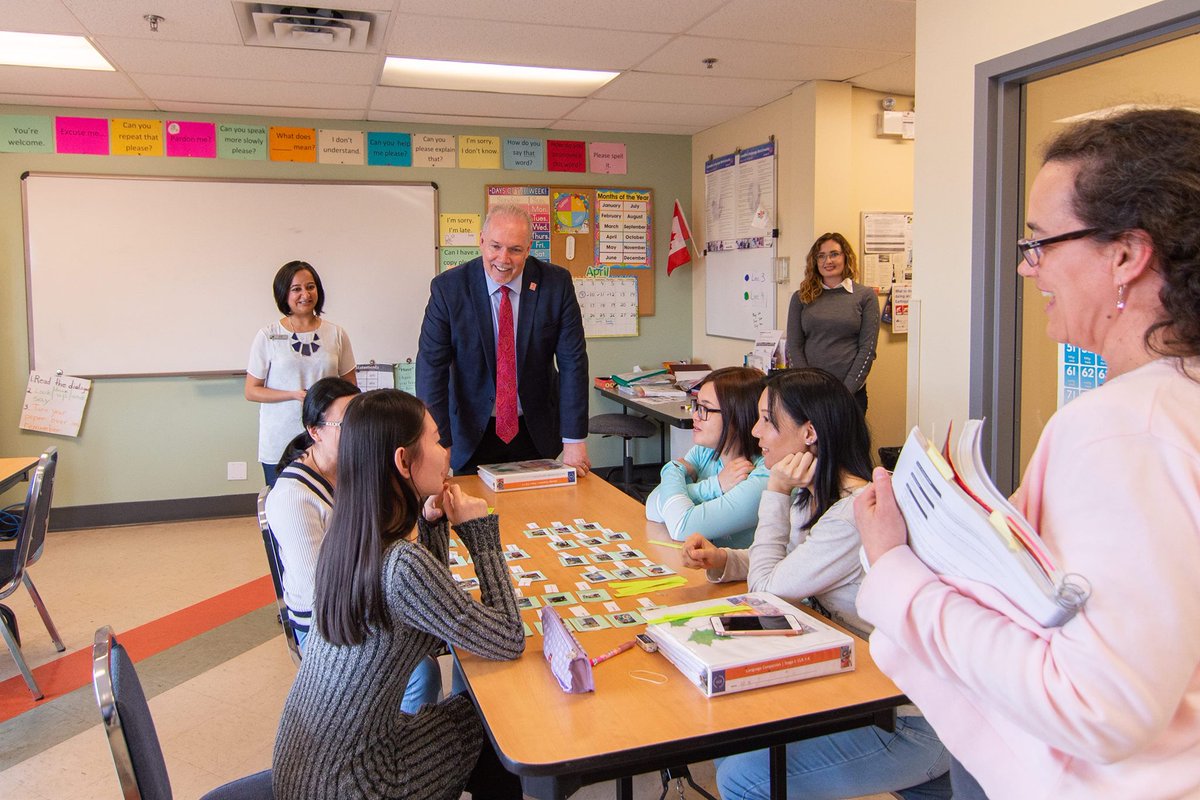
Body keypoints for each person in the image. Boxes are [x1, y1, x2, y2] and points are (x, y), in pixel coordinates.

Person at [855, 108, 1200, 798]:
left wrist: (895, 571)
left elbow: (1097, 706)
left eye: (1041, 242)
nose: (1025, 266)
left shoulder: (1123, 431)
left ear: (1127, 255)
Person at [683, 368, 950, 799]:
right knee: (732, 743)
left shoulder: (851, 512)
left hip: (910, 723)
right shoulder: (822, 492)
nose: (755, 432)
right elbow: (796, 565)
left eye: (768, 420)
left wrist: (775, 490)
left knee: (741, 777)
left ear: (809, 432)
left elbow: (766, 591)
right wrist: (726, 559)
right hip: (867, 693)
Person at [272, 389, 525, 799]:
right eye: (438, 440)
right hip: (356, 785)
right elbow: (509, 638)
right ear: (403, 461)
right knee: (494, 719)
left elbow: (433, 615)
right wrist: (481, 534)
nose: (448, 452)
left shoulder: (349, 536)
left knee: (463, 714)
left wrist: (432, 524)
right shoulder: (400, 564)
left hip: (307, 773)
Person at [265, 378, 444, 713]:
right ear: (315, 432)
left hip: (363, 602)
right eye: (346, 423)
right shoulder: (293, 497)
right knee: (421, 671)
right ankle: (400, 741)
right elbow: (318, 592)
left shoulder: (354, 469)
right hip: (327, 625)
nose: (359, 429)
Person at [416, 204, 590, 475]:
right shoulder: (449, 288)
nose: (503, 258)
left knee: (542, 512)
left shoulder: (556, 284)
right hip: (470, 431)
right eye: (495, 246)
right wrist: (439, 442)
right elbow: (431, 369)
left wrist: (574, 439)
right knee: (474, 515)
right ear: (481, 241)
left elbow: (573, 364)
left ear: (529, 248)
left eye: (515, 249)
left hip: (536, 429)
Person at [246, 260, 356, 487]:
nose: (305, 294)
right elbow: (251, 391)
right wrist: (293, 394)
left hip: (327, 436)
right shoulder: (268, 335)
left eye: (310, 286)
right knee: (281, 504)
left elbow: (351, 388)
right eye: (296, 289)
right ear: (283, 294)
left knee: (331, 503)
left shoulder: (336, 334)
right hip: (280, 438)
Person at [645, 366, 769, 548]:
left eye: (705, 409)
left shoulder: (764, 474)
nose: (695, 415)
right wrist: (713, 485)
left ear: (737, 415)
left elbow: (681, 527)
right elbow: (652, 508)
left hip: (743, 574)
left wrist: (674, 472)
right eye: (697, 406)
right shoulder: (706, 451)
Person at [785, 233, 879, 412]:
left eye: (834, 254)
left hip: (850, 393)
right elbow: (794, 347)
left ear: (846, 257)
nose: (828, 260)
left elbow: (867, 350)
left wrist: (845, 392)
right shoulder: (800, 298)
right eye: (821, 256)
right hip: (810, 393)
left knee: (848, 440)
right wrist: (807, 386)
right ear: (815, 261)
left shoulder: (865, 296)